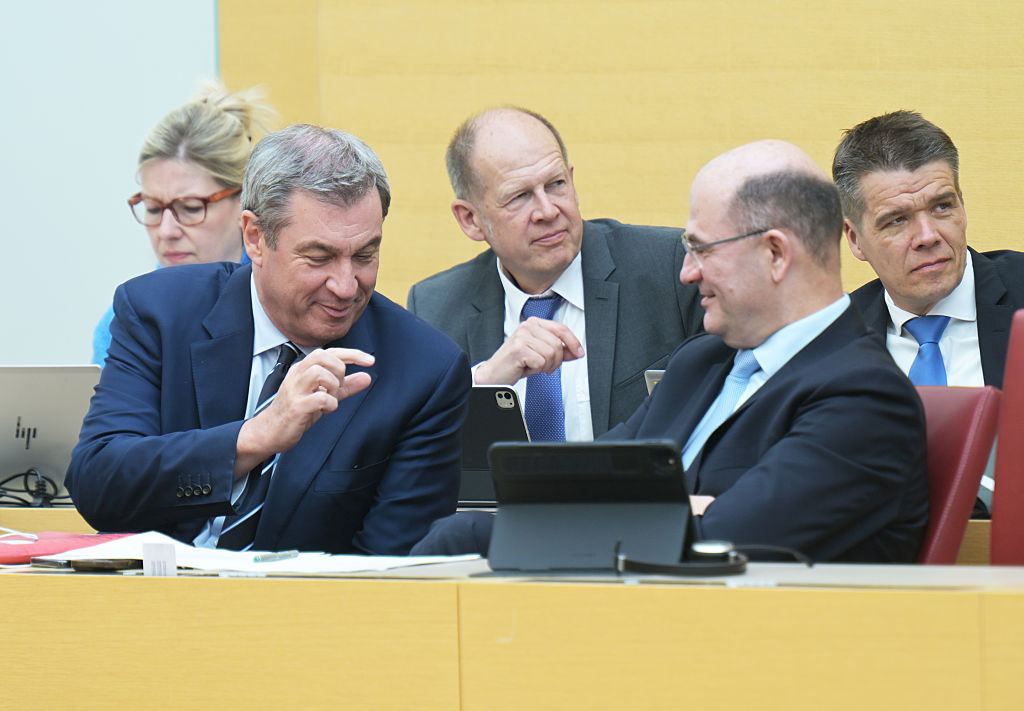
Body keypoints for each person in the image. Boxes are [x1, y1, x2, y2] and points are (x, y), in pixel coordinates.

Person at [415, 140, 928, 563]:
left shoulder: (865, 398)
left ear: (774, 253)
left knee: (464, 542)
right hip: (636, 610)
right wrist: (686, 506)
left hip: (748, 654)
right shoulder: (700, 362)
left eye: (701, 249)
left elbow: (726, 542)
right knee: (452, 537)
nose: (686, 273)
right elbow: (568, 480)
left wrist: (684, 511)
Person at [68, 124, 471, 555]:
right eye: (319, 258)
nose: (346, 285)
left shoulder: (425, 371)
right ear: (256, 238)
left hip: (308, 614)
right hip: (154, 605)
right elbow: (98, 485)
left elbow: (391, 570)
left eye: (365, 255)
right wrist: (256, 437)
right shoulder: (161, 314)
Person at [407, 107, 703, 439]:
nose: (548, 211)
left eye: (556, 184)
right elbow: (416, 444)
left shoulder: (669, 268)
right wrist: (484, 383)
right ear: (471, 220)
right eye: (519, 197)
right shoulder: (435, 308)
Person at [833, 110, 1024, 389]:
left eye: (942, 206)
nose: (928, 236)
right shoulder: (831, 341)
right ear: (855, 239)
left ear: (962, 203)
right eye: (897, 219)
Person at [92, 81, 275, 365]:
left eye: (190, 208)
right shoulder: (123, 322)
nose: (166, 232)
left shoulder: (285, 307)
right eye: (153, 208)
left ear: (245, 202)